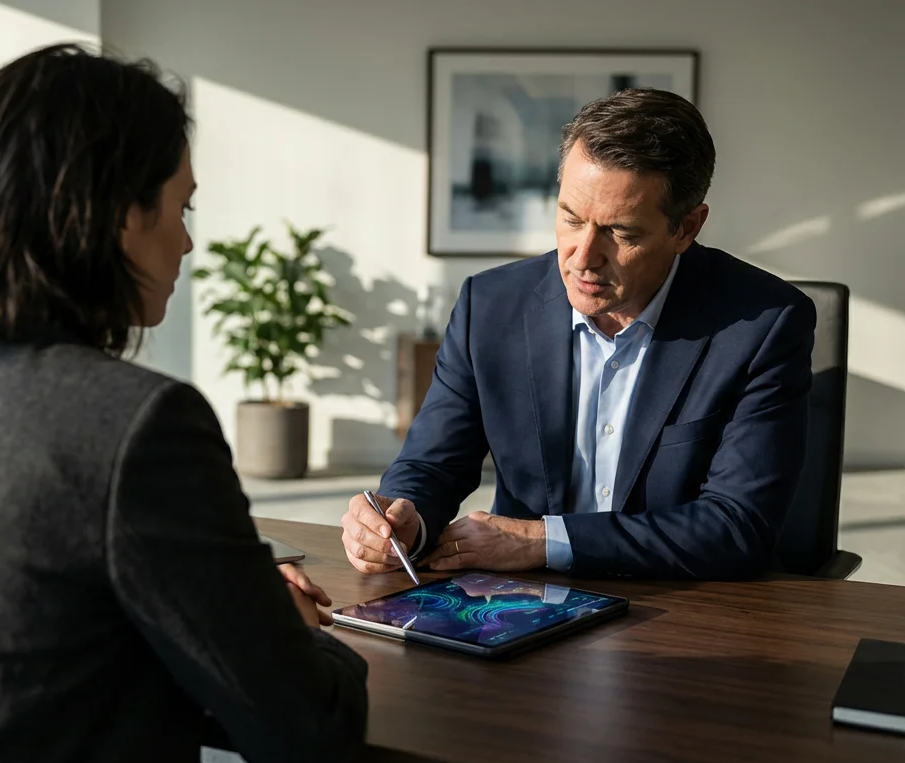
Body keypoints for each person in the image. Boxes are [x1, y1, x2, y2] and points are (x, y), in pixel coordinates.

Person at [0, 44, 367, 763]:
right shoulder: (140, 423)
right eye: (182, 205)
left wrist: (224, 603)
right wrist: (293, 631)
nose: (188, 240)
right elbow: (307, 732)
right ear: (121, 213)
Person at [342, 88, 814, 580]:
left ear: (686, 228)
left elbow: (737, 526)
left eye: (620, 232)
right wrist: (403, 521)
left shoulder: (762, 325)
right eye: (570, 218)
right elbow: (433, 464)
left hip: (688, 600)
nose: (583, 257)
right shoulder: (491, 306)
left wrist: (541, 542)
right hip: (523, 603)